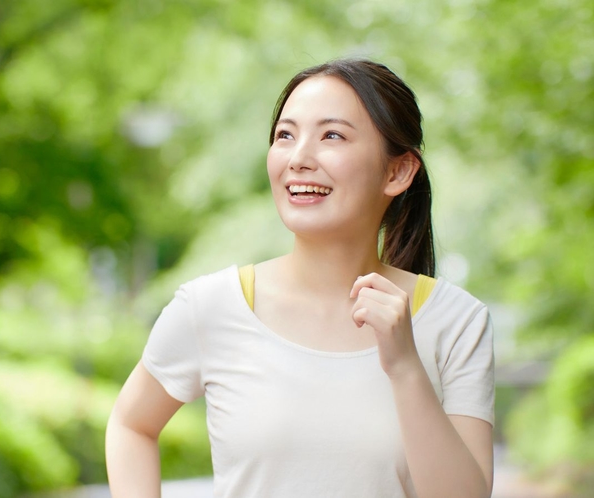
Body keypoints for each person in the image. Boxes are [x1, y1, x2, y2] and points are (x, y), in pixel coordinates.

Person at [105, 58, 495, 498]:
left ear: (397, 171)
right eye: (285, 136)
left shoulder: (457, 320)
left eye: (332, 135)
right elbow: (130, 424)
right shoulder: (212, 305)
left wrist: (405, 368)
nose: (298, 158)